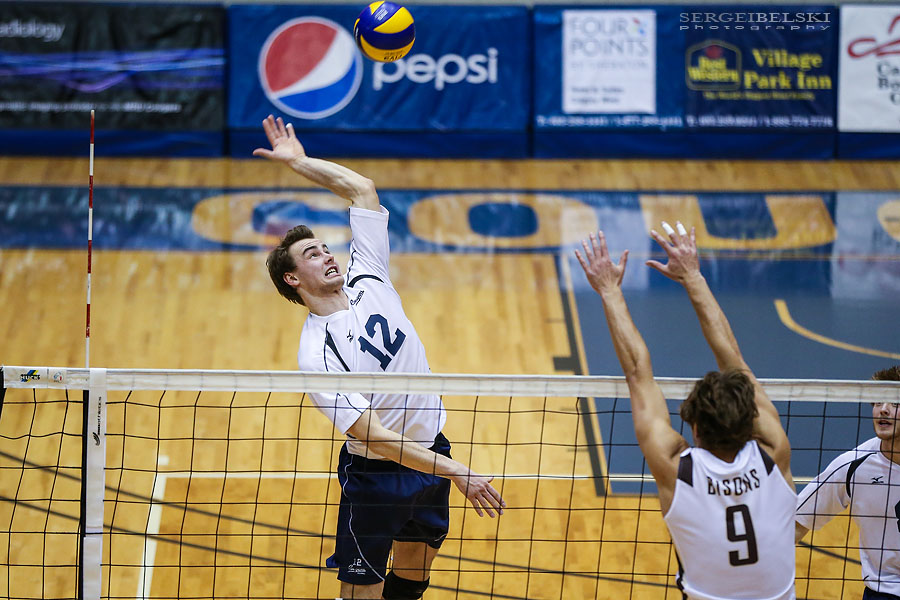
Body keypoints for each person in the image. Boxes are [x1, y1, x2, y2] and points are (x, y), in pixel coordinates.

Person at [255, 115, 505, 599]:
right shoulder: (316, 354)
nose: (328, 254)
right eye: (312, 254)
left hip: (433, 449)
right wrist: (453, 471)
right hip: (378, 477)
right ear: (293, 279)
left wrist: (299, 162)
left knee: (413, 574)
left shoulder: (368, 274)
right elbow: (374, 437)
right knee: (362, 593)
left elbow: (362, 189)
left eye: (326, 247)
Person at [575, 222, 796, 600]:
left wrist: (609, 290)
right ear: (750, 422)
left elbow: (636, 371)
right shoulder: (774, 452)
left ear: (693, 429)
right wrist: (692, 275)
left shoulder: (677, 470)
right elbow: (734, 358)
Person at [795, 365, 900, 599]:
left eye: (895, 403)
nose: (883, 410)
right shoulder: (853, 466)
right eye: (878, 402)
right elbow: (796, 523)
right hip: (885, 592)